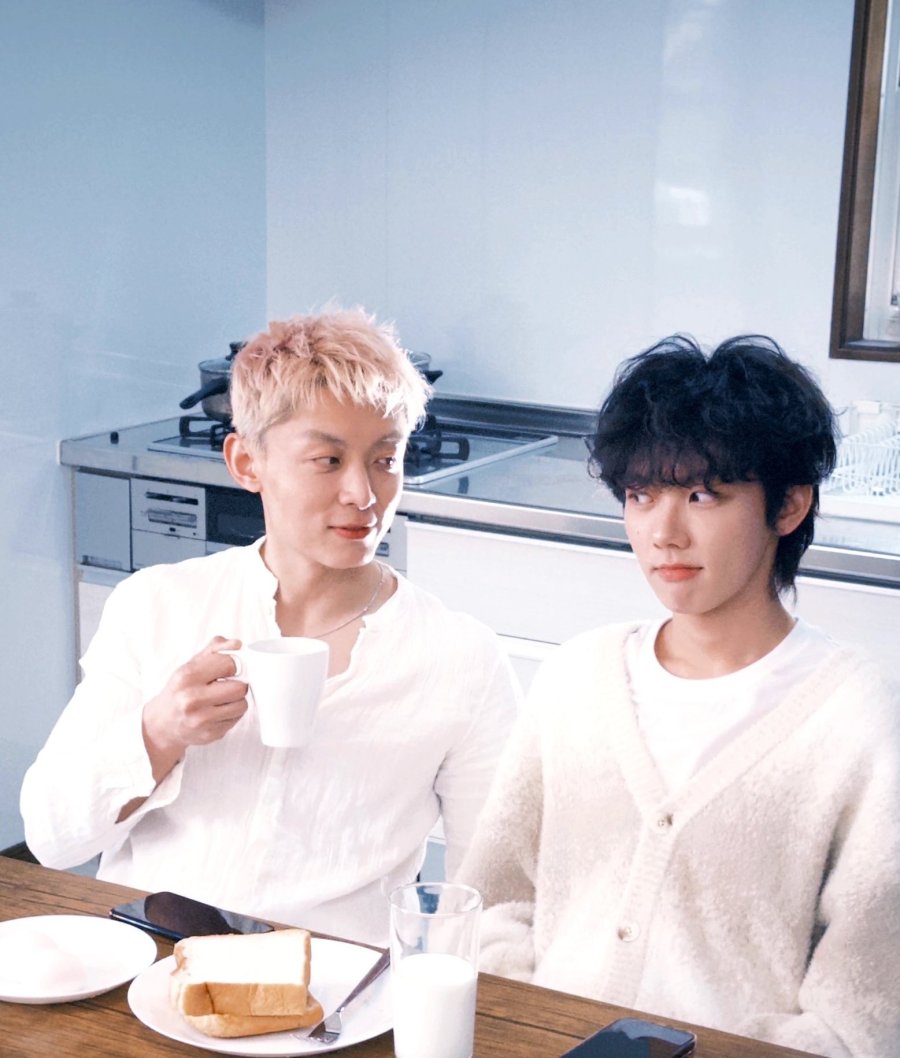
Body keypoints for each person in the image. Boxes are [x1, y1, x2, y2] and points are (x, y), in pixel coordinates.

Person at [457, 335, 900, 1058]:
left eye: (702, 496)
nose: (663, 533)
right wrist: (533, 1030)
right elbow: (492, 906)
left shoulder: (857, 721)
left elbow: (861, 1020)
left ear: (789, 505)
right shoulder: (578, 677)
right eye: (641, 496)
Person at [21, 307, 519, 945]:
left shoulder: (461, 658)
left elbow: (497, 896)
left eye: (385, 458)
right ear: (246, 462)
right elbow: (52, 838)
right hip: (154, 963)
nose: (364, 494)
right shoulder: (156, 606)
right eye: (327, 460)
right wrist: (159, 733)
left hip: (335, 988)